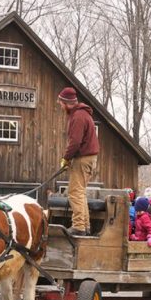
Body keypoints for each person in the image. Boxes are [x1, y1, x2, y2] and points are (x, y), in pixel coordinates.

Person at [58, 86, 99, 237]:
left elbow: (75, 142)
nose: (60, 106)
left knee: (74, 192)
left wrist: (66, 158)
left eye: (61, 103)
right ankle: (85, 226)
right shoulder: (82, 114)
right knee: (80, 193)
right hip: (88, 158)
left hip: (82, 159)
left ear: (67, 103)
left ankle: (79, 226)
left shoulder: (78, 116)